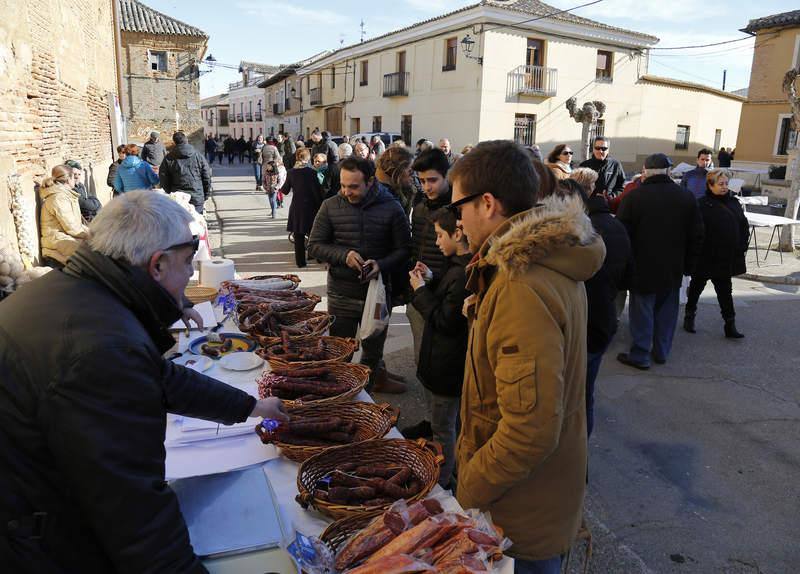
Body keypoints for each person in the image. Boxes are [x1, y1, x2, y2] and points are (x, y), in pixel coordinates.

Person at [0, 190, 288, 573]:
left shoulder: (74, 292)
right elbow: (132, 508)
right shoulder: (99, 346)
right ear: (157, 265)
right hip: (41, 534)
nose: (190, 274)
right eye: (188, 263)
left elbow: (157, 376)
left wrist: (249, 406)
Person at [450, 140, 605, 572]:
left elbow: (529, 431)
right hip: (536, 496)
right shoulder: (541, 261)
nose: (456, 220)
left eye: (458, 207)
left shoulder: (520, 283)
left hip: (520, 512)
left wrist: (468, 487)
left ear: (486, 203)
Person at [307, 156, 411, 393]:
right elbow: (314, 245)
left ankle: (366, 396)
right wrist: (344, 255)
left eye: (353, 186)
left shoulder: (392, 207)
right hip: (341, 295)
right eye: (343, 185)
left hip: (377, 296)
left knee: (372, 353)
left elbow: (405, 249)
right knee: (340, 352)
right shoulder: (330, 205)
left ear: (370, 181)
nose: (346, 192)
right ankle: (339, 395)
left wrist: (381, 265)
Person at [616, 153, 704, 370]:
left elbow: (622, 234)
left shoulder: (634, 197)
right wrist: (689, 266)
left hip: (641, 266)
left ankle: (641, 354)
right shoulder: (685, 197)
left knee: (642, 311)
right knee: (667, 311)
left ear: (645, 171)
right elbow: (697, 234)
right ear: (668, 171)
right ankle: (661, 352)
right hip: (673, 267)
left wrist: (622, 266)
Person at [562, 175, 632, 438]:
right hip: (601, 323)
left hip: (582, 331)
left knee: (568, 403)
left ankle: (573, 461)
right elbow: (627, 275)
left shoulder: (573, 239)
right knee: (584, 398)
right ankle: (582, 457)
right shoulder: (614, 227)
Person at [408, 207, 471, 488]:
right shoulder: (457, 267)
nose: (436, 242)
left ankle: (443, 482)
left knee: (443, 427)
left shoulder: (462, 273)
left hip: (448, 367)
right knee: (448, 424)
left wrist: (420, 290)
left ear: (458, 233)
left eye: (439, 235)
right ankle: (452, 471)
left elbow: (446, 320)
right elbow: (449, 301)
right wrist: (432, 278)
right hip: (446, 364)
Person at [404, 149, 453, 439]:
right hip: (419, 294)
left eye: (432, 180)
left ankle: (442, 429)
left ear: (447, 177)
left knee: (439, 370)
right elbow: (414, 243)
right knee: (421, 363)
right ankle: (431, 420)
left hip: (444, 298)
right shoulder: (420, 203)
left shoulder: (458, 208)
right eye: (421, 180)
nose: (427, 187)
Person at [684, 169, 748, 339]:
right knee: (696, 288)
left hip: (725, 258)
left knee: (725, 292)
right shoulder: (701, 204)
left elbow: (743, 226)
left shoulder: (734, 203)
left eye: (726, 184)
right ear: (710, 185)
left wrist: (741, 246)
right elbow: (694, 231)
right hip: (705, 257)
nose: (724, 187)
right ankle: (689, 317)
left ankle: (730, 324)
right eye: (720, 184)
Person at [38, 165, 90, 266]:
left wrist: (92, 232)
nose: (75, 180)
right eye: (73, 177)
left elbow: (76, 225)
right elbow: (72, 228)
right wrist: (92, 236)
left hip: (63, 238)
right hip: (56, 244)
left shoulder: (64, 195)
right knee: (93, 254)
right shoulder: (59, 198)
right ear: (68, 179)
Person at [282, 148, 323, 267]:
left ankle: (300, 262)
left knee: (298, 236)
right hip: (311, 206)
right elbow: (317, 192)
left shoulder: (291, 172)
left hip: (297, 207)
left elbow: (285, 190)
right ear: (308, 158)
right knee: (313, 234)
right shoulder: (312, 172)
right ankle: (315, 256)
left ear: (297, 157)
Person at [159, 131, 213, 215]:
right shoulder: (198, 156)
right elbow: (206, 175)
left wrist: (169, 191)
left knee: (179, 225)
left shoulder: (169, 158)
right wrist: (206, 194)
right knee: (197, 223)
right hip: (196, 195)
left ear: (174, 142)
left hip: (178, 196)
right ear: (186, 140)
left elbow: (163, 177)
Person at [375, 146, 415, 216]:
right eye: (410, 172)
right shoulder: (382, 198)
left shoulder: (402, 191)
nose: (413, 176)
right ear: (397, 171)